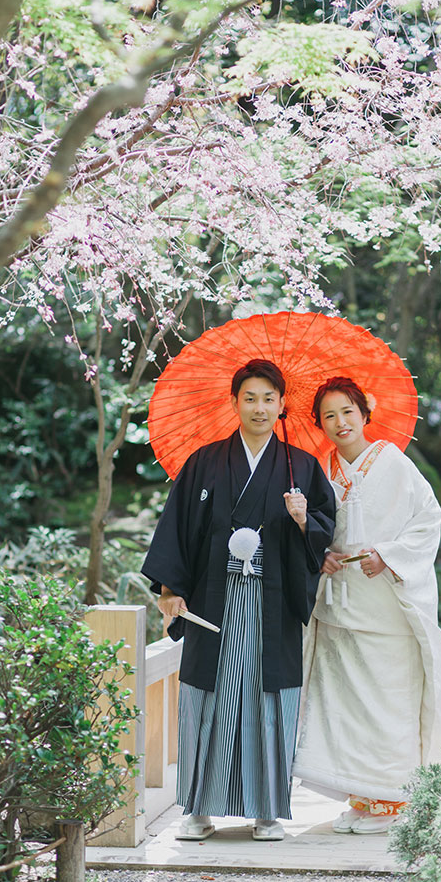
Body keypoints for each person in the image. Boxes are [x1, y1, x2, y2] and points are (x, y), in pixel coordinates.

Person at [142, 359, 335, 841]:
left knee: (269, 699)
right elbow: (179, 529)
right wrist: (171, 588)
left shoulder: (302, 468)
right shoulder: (205, 462)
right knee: (205, 699)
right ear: (234, 403)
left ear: (283, 405)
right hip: (213, 600)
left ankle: (267, 810)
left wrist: (302, 518)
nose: (259, 407)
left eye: (269, 398)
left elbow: (325, 535)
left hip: (272, 603)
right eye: (250, 397)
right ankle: (198, 809)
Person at [292, 376, 441, 834]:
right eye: (329, 415)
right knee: (346, 708)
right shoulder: (319, 472)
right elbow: (318, 536)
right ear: (320, 424)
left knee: (388, 703)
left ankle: (394, 800)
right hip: (339, 607)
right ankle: (363, 797)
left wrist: (387, 555)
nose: (340, 422)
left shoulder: (394, 463)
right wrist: (317, 551)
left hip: (387, 604)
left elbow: (429, 520)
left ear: (364, 413)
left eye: (347, 411)